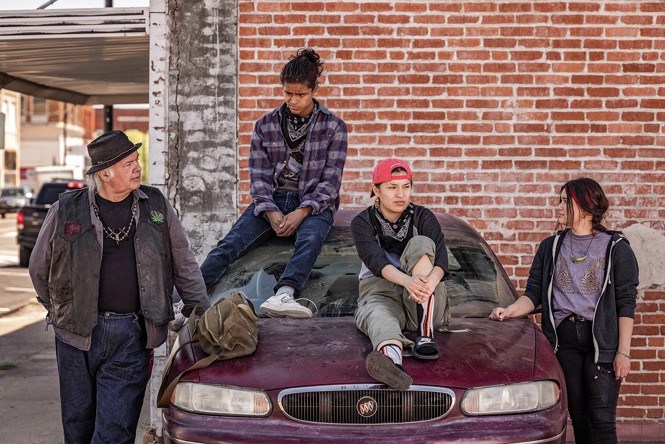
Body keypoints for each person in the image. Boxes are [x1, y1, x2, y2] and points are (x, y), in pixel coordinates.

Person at [29, 130, 210, 443]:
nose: (137, 168)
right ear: (104, 173)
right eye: (128, 164)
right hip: (75, 335)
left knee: (114, 431)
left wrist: (200, 309)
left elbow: (184, 264)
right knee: (77, 427)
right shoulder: (66, 209)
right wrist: (58, 309)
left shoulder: (156, 205)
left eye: (135, 160)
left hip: (132, 334)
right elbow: (39, 267)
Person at [200, 48, 348, 319]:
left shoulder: (334, 127)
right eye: (287, 93)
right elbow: (258, 176)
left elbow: (330, 182)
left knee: (311, 238)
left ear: (314, 89)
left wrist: (302, 212)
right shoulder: (265, 125)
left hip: (314, 205)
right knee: (229, 244)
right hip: (272, 202)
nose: (293, 100)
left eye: (300, 94)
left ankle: (284, 294)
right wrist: (270, 210)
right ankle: (191, 299)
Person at [489, 177, 638, 443]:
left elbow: (626, 302)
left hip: (600, 342)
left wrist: (623, 353)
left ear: (582, 207)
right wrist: (510, 311)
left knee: (602, 420)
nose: (557, 207)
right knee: (579, 418)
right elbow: (533, 294)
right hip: (564, 342)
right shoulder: (551, 246)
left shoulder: (616, 248)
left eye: (564, 201)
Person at [351, 158, 449, 391]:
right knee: (377, 314)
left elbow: (442, 262)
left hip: (425, 300)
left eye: (406, 186)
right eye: (392, 187)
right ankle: (393, 364)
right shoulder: (362, 222)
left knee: (421, 242)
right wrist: (408, 281)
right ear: (376, 190)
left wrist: (425, 285)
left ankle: (426, 336)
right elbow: (376, 262)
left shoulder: (423, 217)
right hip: (380, 290)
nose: (400, 194)